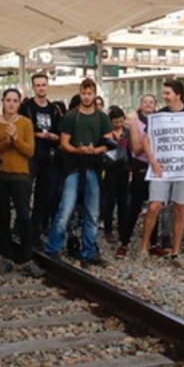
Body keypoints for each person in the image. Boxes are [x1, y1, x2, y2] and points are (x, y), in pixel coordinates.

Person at [44, 78, 112, 267]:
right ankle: (53, 248)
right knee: (65, 209)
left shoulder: (102, 117)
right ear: (80, 93)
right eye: (84, 93)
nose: (86, 97)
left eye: (90, 93)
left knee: (92, 212)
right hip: (73, 167)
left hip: (93, 167)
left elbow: (108, 143)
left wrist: (94, 150)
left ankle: (89, 250)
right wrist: (78, 150)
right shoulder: (71, 116)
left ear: (94, 94)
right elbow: (64, 142)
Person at [139, 80, 184, 264]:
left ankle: (175, 251)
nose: (164, 96)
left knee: (180, 208)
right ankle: (144, 247)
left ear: (178, 95)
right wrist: (153, 161)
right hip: (162, 169)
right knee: (154, 206)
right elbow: (146, 139)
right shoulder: (160, 115)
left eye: (167, 93)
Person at [0, 88, 37, 273]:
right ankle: (6, 255)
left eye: (15, 101)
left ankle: (27, 256)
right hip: (0, 174)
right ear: (3, 101)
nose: (11, 104)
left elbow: (30, 151)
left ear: (19, 103)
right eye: (8, 100)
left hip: (20, 175)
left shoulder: (25, 123)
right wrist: (5, 143)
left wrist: (15, 139)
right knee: (4, 216)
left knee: (24, 215)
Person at [19, 72, 63, 243]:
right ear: (33, 87)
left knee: (44, 195)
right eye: (38, 85)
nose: (41, 88)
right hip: (31, 156)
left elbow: (60, 132)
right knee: (25, 194)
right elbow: (23, 129)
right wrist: (39, 135)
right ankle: (23, 228)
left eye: (43, 84)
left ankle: (36, 229)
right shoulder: (27, 107)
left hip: (49, 158)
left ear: (47, 85)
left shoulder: (54, 109)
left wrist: (54, 137)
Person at [120, 94, 157, 257]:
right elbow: (135, 148)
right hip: (141, 165)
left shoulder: (159, 121)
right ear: (141, 105)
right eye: (145, 102)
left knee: (155, 205)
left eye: (151, 102)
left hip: (156, 166)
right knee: (135, 205)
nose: (148, 104)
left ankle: (153, 242)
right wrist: (148, 141)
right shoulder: (135, 124)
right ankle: (124, 242)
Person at [99, 105, 131, 245]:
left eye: (120, 121)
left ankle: (123, 229)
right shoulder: (106, 134)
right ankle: (108, 229)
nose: (118, 124)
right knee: (109, 202)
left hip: (124, 171)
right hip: (110, 171)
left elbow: (130, 151)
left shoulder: (127, 132)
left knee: (124, 202)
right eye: (115, 122)